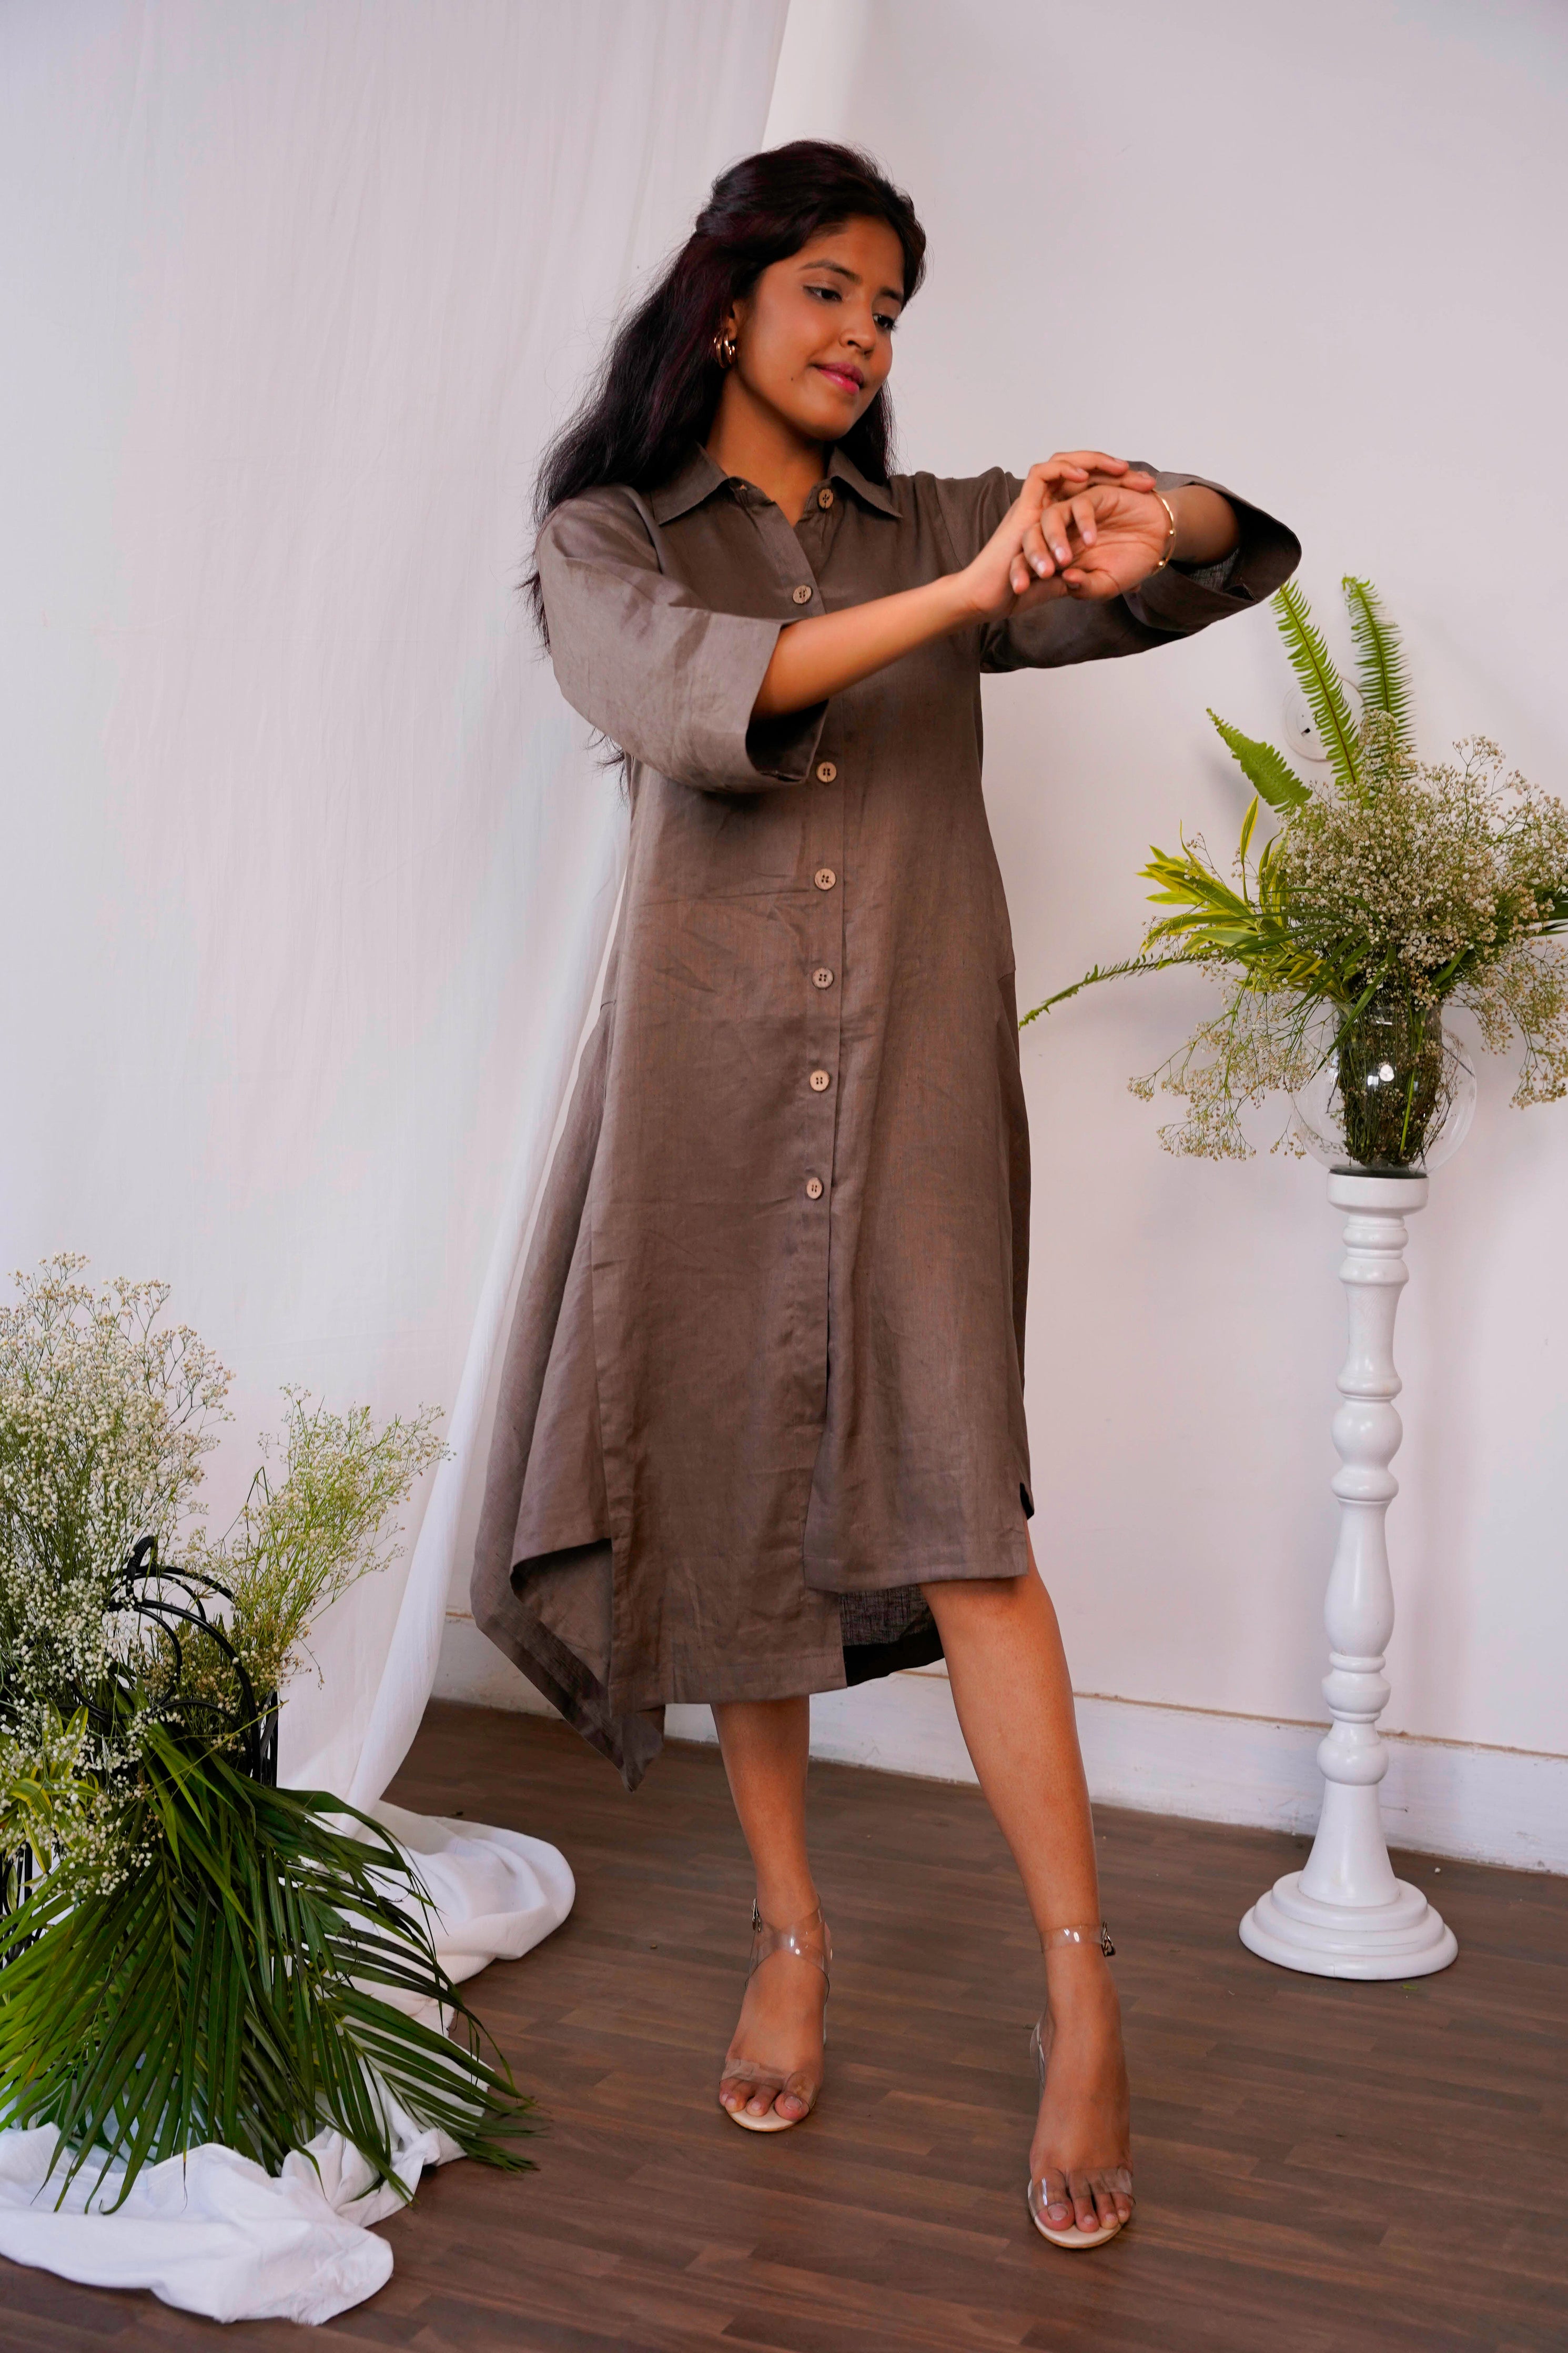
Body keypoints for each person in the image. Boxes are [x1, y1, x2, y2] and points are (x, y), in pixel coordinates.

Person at [473, 140, 1298, 2249]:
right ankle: (790, 1931)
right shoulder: (610, 537)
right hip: (706, 1089)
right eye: (830, 288)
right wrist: (968, 590)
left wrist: (1160, 512)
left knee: (963, 1519)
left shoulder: (943, 523)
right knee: (736, 1498)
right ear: (731, 294)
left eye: (890, 307)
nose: (861, 334)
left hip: (915, 1084)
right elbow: (702, 697)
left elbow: (1205, 561)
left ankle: (1079, 1990)